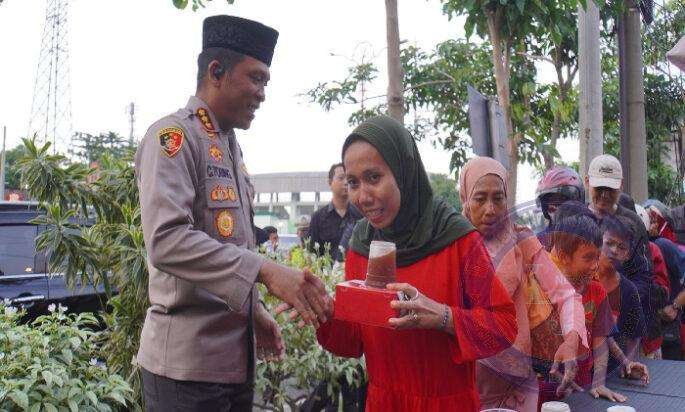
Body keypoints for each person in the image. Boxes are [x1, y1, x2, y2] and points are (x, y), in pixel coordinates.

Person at [135, 15, 331, 411]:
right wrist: (266, 270)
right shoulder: (172, 138)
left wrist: (254, 311)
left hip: (232, 364)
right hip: (186, 371)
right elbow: (167, 241)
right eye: (256, 79)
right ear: (216, 72)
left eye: (265, 83)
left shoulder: (229, 146)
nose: (262, 94)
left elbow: (230, 244)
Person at [315, 116, 518, 411]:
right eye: (353, 182)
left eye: (374, 178)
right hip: (383, 404)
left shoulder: (457, 240)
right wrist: (324, 311)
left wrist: (444, 317)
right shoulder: (361, 246)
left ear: (404, 172)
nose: (363, 196)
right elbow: (353, 341)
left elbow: (504, 326)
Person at [459, 157, 587, 411]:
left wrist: (571, 340)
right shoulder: (451, 246)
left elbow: (566, 295)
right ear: (465, 198)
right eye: (480, 198)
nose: (490, 209)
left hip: (517, 389)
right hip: (465, 389)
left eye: (498, 198)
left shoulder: (520, 240)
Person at [585, 154, 660, 354]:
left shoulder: (634, 222)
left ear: (621, 185)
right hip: (581, 324)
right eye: (599, 188)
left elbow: (644, 275)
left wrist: (619, 306)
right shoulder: (575, 220)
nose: (604, 195)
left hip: (624, 327)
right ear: (587, 182)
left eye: (610, 189)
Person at [547, 215, 625, 402]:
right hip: (545, 385)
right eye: (588, 258)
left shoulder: (597, 291)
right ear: (563, 257)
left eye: (597, 257)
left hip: (582, 384)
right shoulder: (543, 292)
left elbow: (600, 340)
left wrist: (598, 382)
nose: (595, 266)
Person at [597, 215, 649, 380]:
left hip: (610, 375)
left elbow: (635, 334)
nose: (614, 250)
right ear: (597, 243)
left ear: (627, 255)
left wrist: (628, 364)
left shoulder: (628, 290)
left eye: (621, 247)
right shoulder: (581, 280)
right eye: (609, 243)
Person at [308, 163, 362, 261]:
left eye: (349, 179)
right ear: (330, 182)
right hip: (326, 270)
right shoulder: (318, 217)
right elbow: (311, 253)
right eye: (341, 178)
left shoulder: (360, 215)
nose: (346, 182)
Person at [535, 166, 586, 250]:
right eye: (551, 199)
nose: (555, 206)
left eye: (562, 199)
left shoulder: (592, 236)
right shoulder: (539, 242)